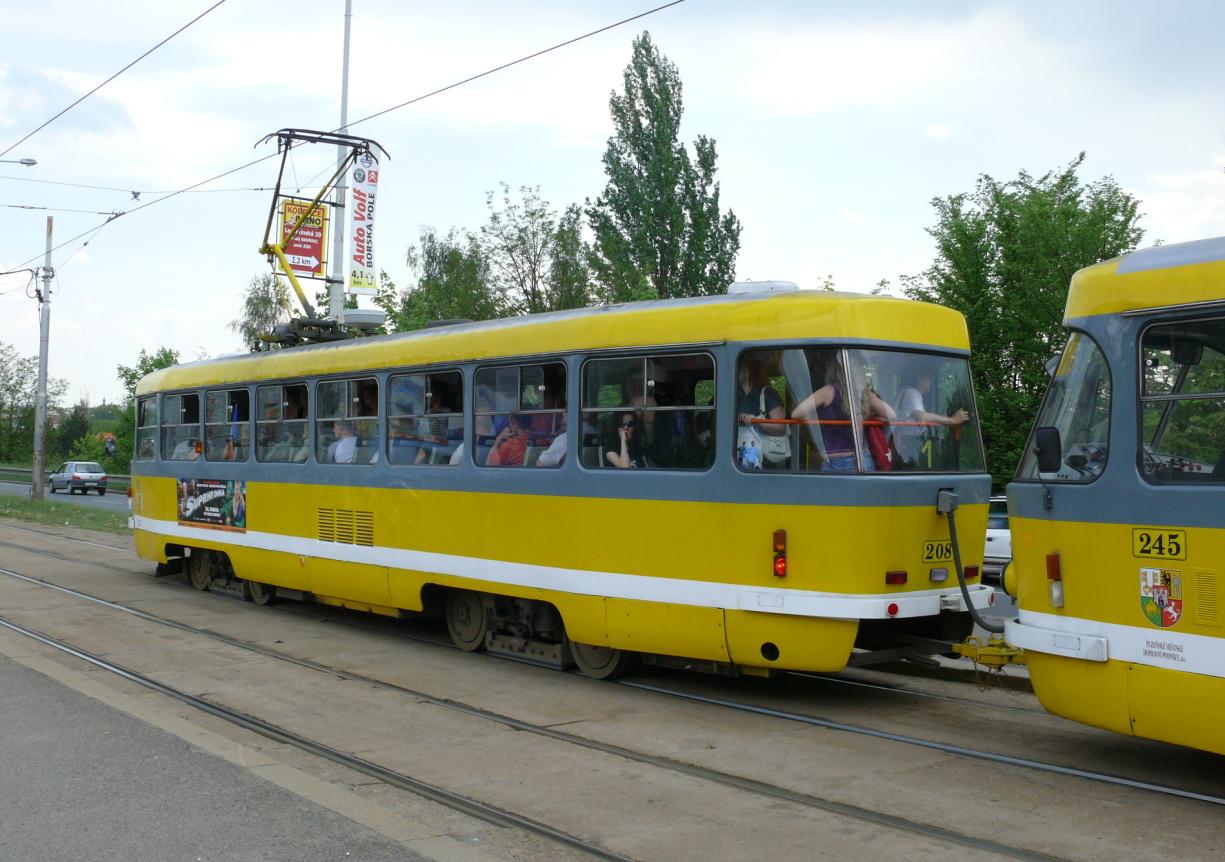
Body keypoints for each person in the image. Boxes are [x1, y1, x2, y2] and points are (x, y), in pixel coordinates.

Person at [791, 352, 896, 472]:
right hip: (864, 457)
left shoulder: (828, 392)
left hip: (838, 461)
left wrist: (818, 417)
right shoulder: (864, 393)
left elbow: (796, 414)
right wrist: (866, 419)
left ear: (833, 371)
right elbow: (891, 416)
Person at [892, 370, 970, 465]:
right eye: (928, 378)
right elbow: (922, 416)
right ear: (919, 379)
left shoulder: (904, 391)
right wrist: (953, 420)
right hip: (911, 446)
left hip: (906, 444)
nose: (931, 382)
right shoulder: (912, 393)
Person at [736, 359, 788, 468]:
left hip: (765, 460)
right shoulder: (732, 393)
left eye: (737, 367)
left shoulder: (768, 393)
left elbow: (781, 428)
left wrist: (756, 422)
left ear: (749, 371)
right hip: (736, 455)